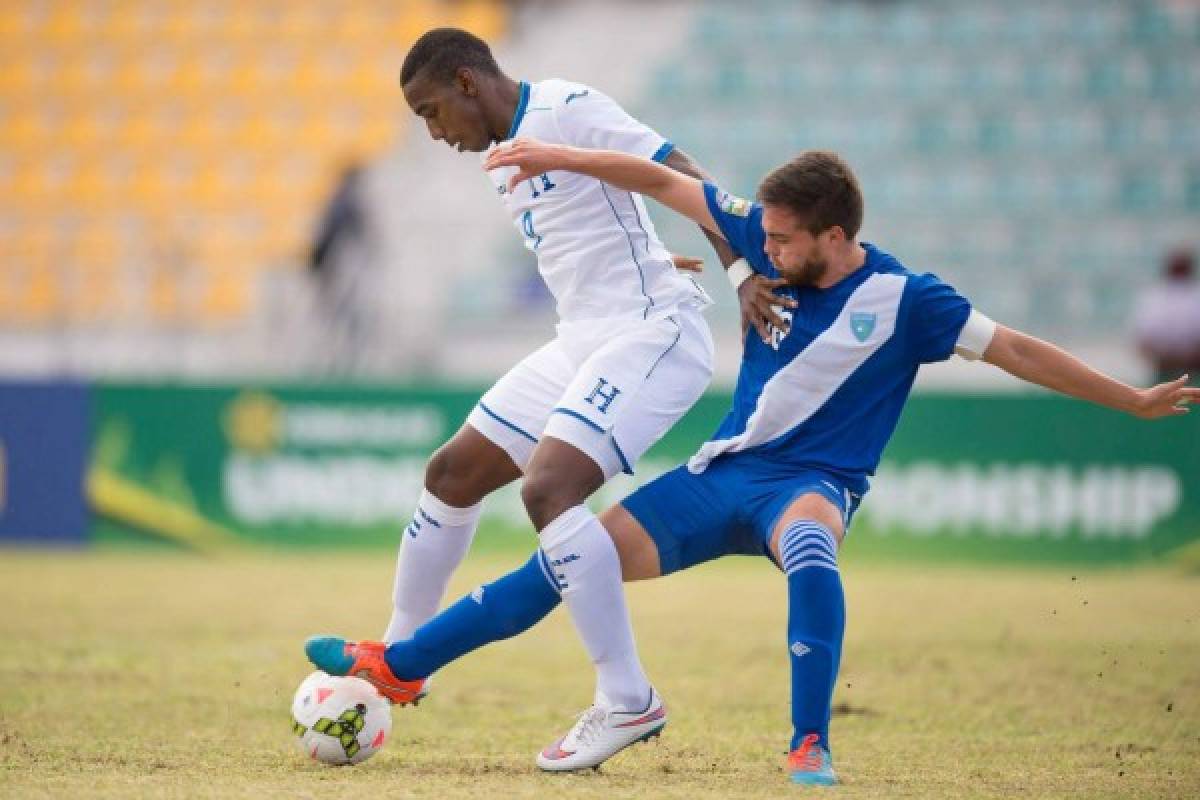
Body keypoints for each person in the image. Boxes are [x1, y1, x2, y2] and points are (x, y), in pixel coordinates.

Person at [307, 144, 1197, 782]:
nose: (760, 253)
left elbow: (1018, 350)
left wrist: (1134, 398)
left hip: (812, 486)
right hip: (722, 475)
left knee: (811, 543)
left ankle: (810, 743)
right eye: (760, 237)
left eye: (779, 243)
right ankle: (401, 662)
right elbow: (666, 179)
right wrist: (558, 156)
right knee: (567, 560)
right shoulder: (765, 248)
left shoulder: (907, 300)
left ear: (836, 234)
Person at [354, 26, 786, 745]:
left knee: (548, 490)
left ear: (466, 82)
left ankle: (627, 696)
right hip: (582, 337)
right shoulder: (500, 158)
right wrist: (649, 255)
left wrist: (739, 269)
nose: (431, 132)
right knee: (451, 473)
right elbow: (583, 231)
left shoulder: (564, 106)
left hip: (650, 335)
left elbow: (679, 173)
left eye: (430, 111)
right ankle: (398, 660)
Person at [1132, 247, 1200, 384]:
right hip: (1167, 366)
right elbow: (1142, 341)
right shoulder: (1154, 297)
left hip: (1180, 366)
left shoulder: (1153, 297)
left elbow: (1142, 340)